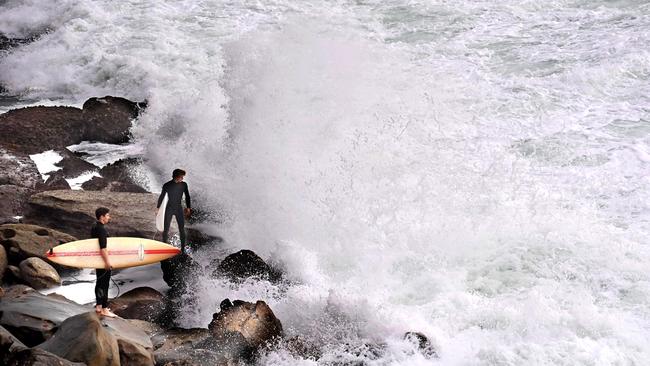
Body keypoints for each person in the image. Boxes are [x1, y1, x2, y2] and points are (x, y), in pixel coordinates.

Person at [157, 168, 192, 253]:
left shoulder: (184, 185)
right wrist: (158, 208)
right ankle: (164, 247)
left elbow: (187, 196)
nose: (182, 179)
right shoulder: (167, 185)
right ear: (176, 177)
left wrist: (188, 207)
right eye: (181, 177)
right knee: (166, 229)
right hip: (169, 208)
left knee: (181, 229)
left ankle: (182, 249)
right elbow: (162, 196)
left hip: (178, 208)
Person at [91, 207, 117, 318]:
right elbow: (103, 248)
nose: (109, 217)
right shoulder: (101, 229)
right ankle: (104, 309)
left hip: (97, 260)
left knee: (99, 283)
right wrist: (107, 262)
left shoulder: (94, 226)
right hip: (102, 260)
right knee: (105, 285)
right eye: (107, 215)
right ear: (102, 217)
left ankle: (98, 306)